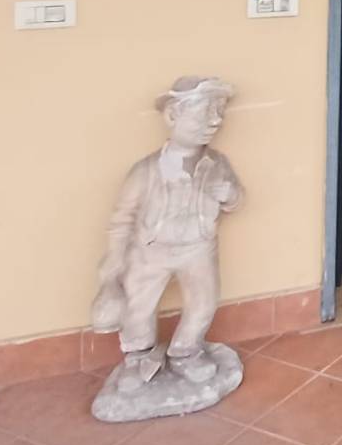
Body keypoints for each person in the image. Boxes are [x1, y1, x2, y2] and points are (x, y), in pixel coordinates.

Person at [91, 76, 245, 390]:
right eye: (204, 113)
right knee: (139, 305)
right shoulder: (145, 171)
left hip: (198, 248)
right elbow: (122, 218)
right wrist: (115, 259)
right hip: (151, 250)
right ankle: (138, 356)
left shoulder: (217, 164)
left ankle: (186, 351)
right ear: (173, 116)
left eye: (219, 112)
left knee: (203, 302)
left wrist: (230, 193)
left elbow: (237, 200)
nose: (215, 121)